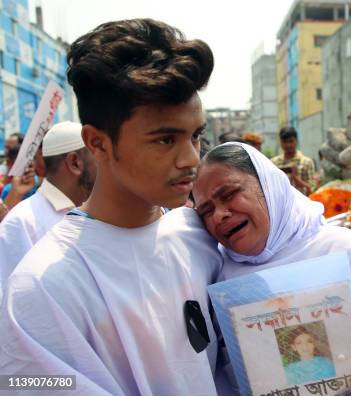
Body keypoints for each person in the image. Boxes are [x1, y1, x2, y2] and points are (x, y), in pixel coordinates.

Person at [0, 19, 222, 395]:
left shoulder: (199, 238)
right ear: (98, 144)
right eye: (166, 139)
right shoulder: (42, 287)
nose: (190, 159)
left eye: (196, 136)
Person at [193, 143, 351, 395]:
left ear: (267, 184)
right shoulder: (218, 277)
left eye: (229, 195)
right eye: (206, 210)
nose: (219, 215)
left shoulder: (349, 251)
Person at [0, 121, 97, 289]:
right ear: (74, 163)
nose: (107, 166)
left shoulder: (99, 213)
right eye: (98, 157)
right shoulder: (21, 223)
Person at [271, 126, 315, 195]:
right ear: (280, 142)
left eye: (291, 141)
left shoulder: (306, 162)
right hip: (280, 204)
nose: (288, 145)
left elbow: (312, 191)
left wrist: (296, 179)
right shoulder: (274, 163)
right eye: (285, 142)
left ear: (297, 141)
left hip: (301, 204)